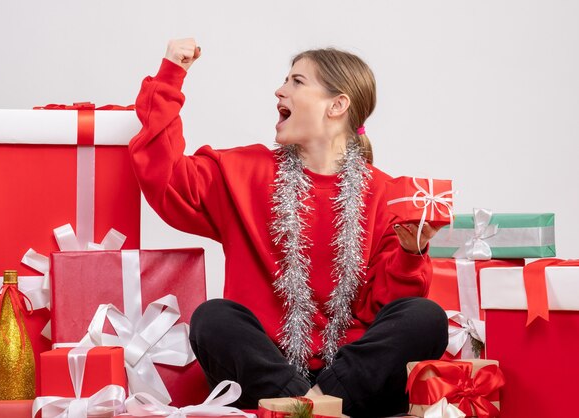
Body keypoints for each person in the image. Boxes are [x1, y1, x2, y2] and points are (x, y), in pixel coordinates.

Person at [129, 38, 448, 418]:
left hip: (353, 376)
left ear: (337, 105)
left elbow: (384, 308)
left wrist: (411, 255)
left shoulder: (384, 193)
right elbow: (164, 176)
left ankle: (305, 407)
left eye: (297, 82)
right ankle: (311, 405)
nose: (280, 90)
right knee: (212, 318)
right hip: (266, 371)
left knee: (425, 317)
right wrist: (170, 78)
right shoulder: (243, 172)